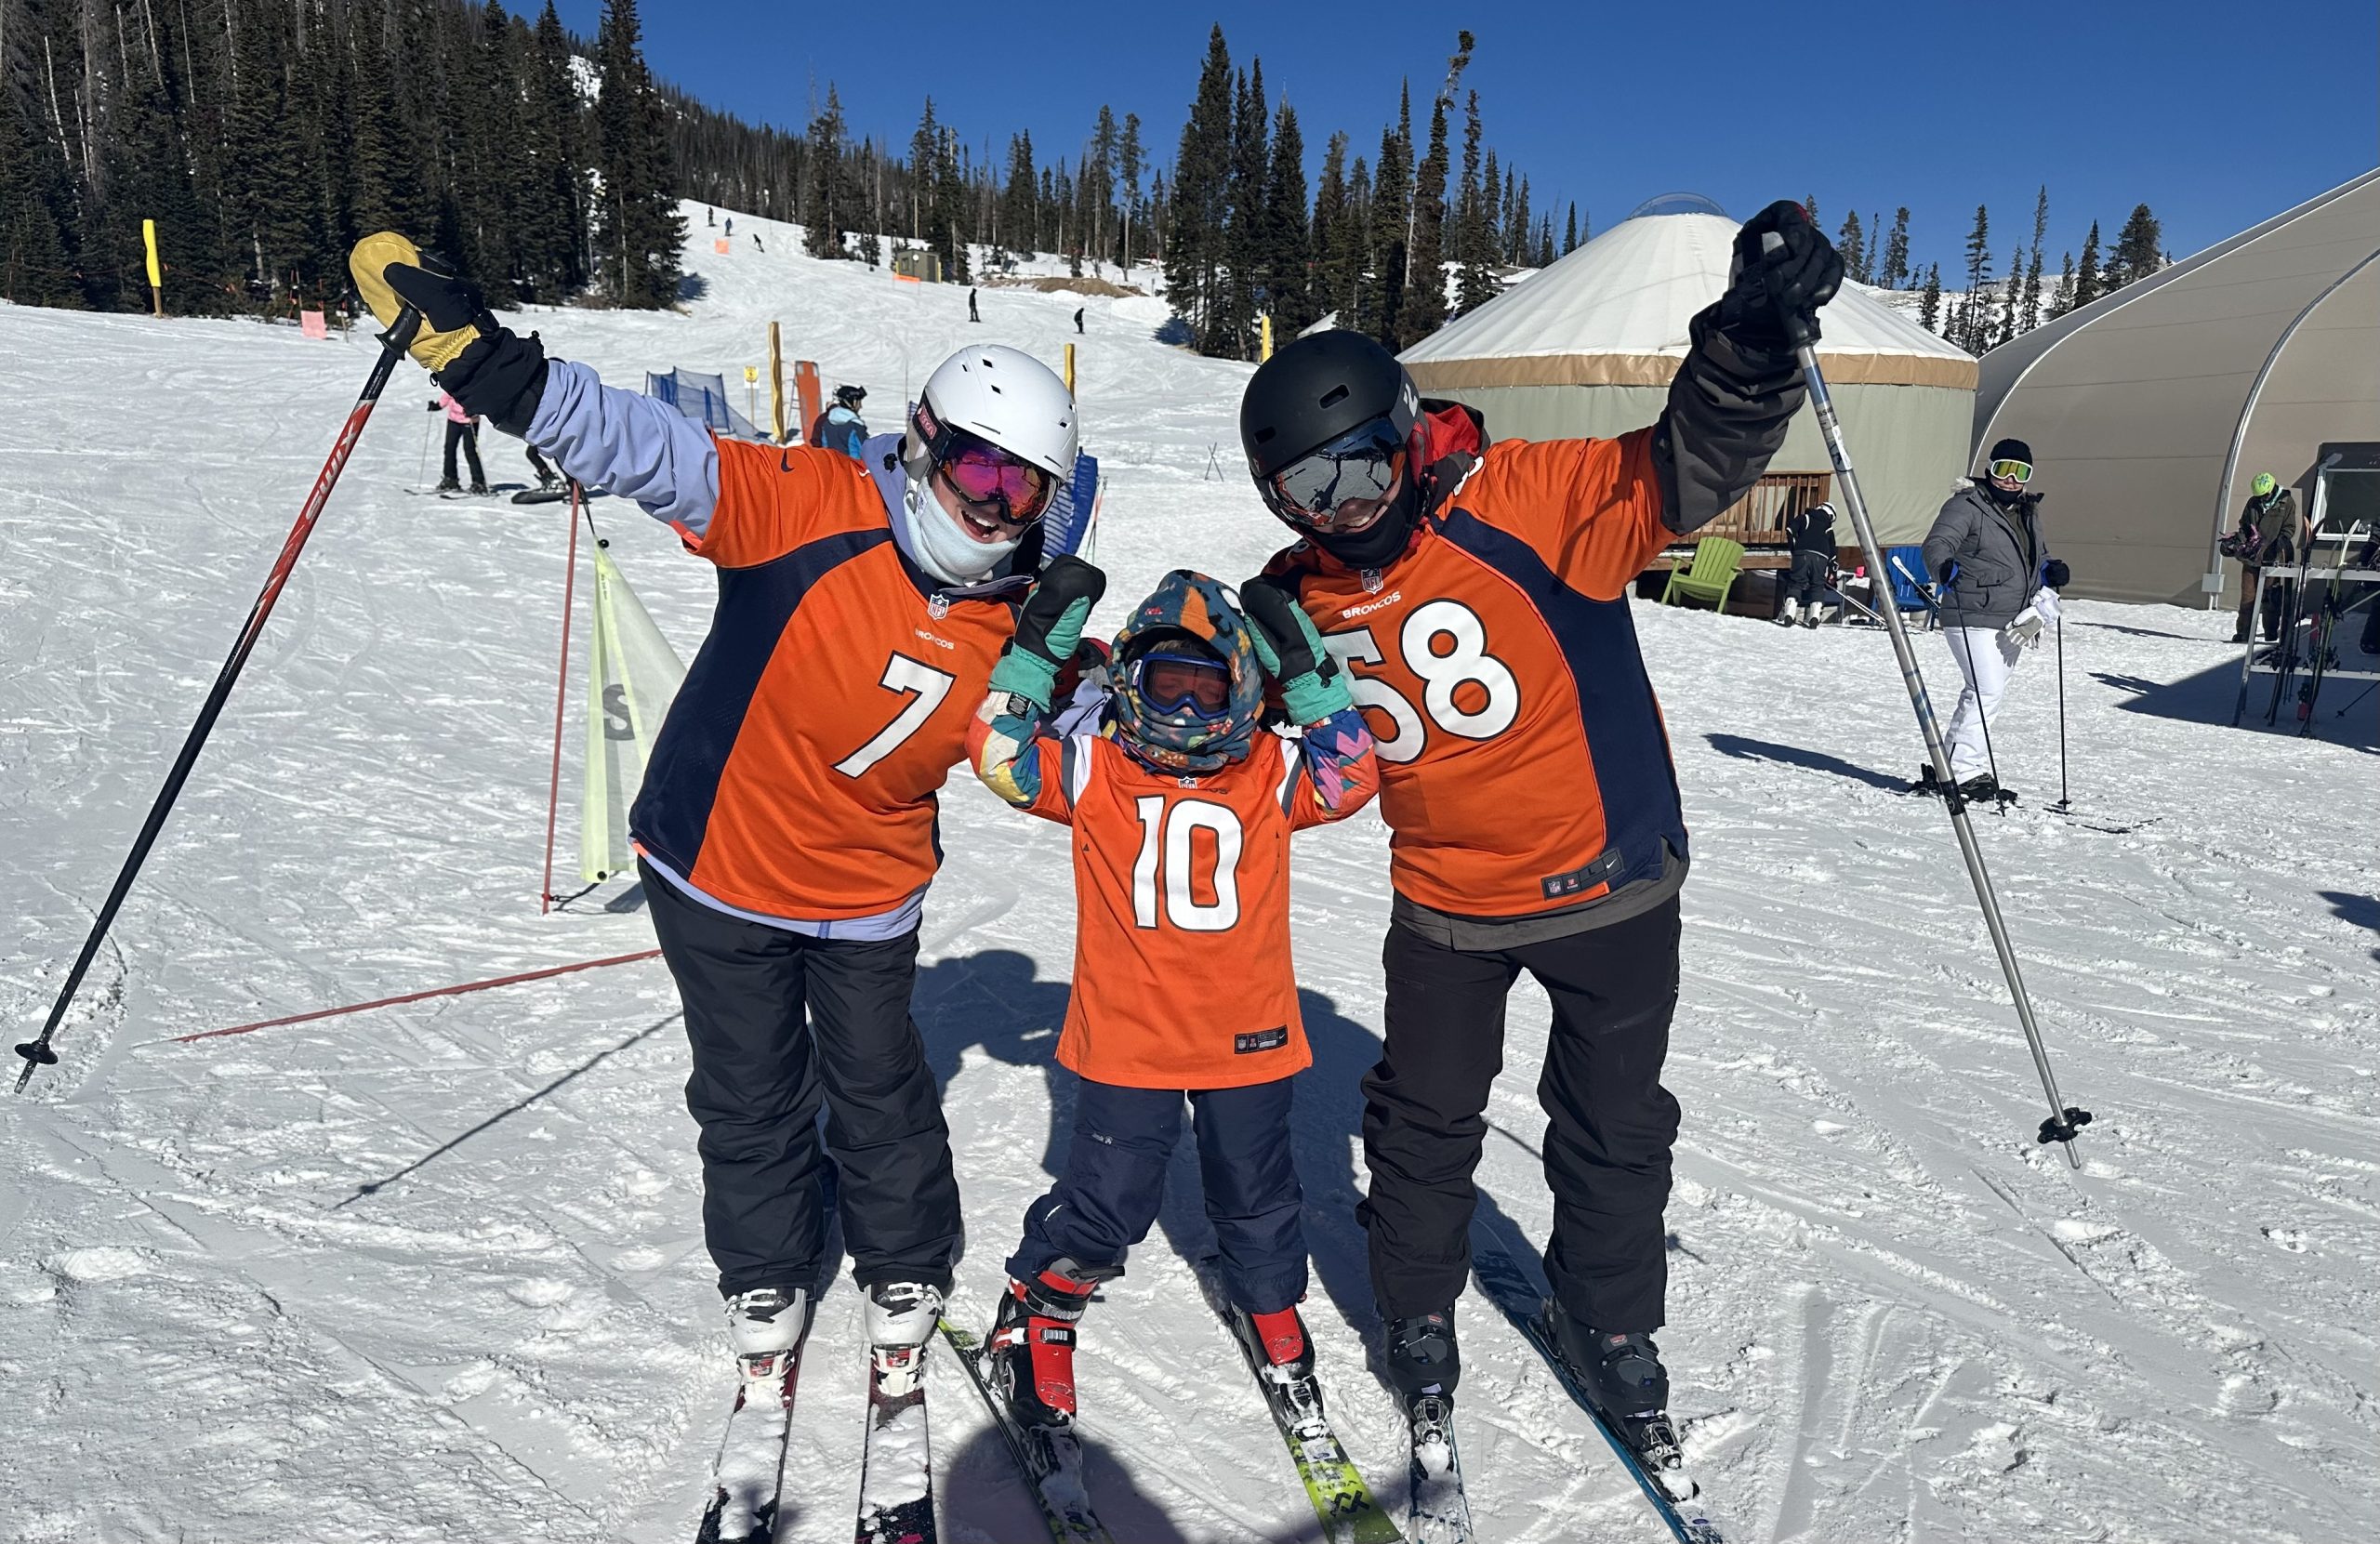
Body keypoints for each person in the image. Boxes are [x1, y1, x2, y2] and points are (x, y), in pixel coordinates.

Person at [350, 233, 1081, 1385]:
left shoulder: (1027, 623)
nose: (995, 507)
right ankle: (767, 1263)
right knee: (748, 1084)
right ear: (922, 443)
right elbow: (650, 446)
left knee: (880, 1085)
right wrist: (494, 368)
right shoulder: (808, 503)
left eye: (1023, 486)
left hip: (868, 891)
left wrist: (1217, 704)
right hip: (716, 865)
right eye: (979, 470)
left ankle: (903, 1254)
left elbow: (1098, 745)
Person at [1236, 200, 1840, 1476]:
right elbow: (1222, 704)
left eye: (1363, 466)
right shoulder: (1296, 600)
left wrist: (1745, 349)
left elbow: (1686, 467)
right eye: (1308, 490)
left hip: (1608, 882)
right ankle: (1416, 1310)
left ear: (1408, 433)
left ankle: (1611, 1318)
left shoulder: (1526, 497)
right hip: (1446, 908)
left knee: (1613, 1124)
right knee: (1421, 1119)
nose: (1346, 507)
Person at [965, 565, 1380, 1432]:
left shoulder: (1267, 769)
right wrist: (1035, 655)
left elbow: (1351, 774)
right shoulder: (1096, 767)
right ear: (1131, 683)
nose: (1187, 708)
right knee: (1110, 1189)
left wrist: (1307, 671)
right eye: (1167, 685)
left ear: (1241, 689)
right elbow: (999, 755)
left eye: (1208, 687)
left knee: (1258, 1185)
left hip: (1250, 1033)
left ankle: (1266, 1296)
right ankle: (1045, 1296)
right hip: (1131, 1034)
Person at [1918, 438, 2069, 800]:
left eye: (2021, 472)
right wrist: (1943, 567)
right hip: (1971, 612)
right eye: (2004, 469)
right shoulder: (1967, 504)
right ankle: (1962, 772)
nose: (2011, 479)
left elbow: (2036, 556)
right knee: (1985, 690)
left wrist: (2050, 569)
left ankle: (1952, 765)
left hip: (2014, 621)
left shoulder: (2028, 511)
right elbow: (1938, 543)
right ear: (1990, 469)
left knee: (1988, 694)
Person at [2227, 472, 2302, 644]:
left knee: (2270, 597)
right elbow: (2245, 526)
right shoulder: (2253, 503)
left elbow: (2289, 528)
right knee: (2248, 597)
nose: (2262, 498)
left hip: (2273, 556)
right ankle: (2243, 633)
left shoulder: (2286, 502)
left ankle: (2270, 632)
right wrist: (2238, 544)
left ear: (2272, 489)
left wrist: (2280, 543)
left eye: (2265, 495)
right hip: (2251, 556)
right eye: (2259, 496)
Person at [1775, 497, 1837, 627]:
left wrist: (1794, 548)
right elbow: (1833, 550)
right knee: (1817, 584)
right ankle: (1814, 617)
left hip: (1801, 552)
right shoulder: (1828, 527)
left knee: (1796, 582)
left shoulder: (1805, 518)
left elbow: (1790, 530)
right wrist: (1832, 570)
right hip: (1821, 556)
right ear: (1830, 515)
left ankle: (1789, 614)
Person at [431, 389, 488, 495]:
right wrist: (438, 405)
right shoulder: (455, 383)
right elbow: (449, 392)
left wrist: (474, 411)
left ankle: (479, 483)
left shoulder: (472, 384)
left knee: (470, 451)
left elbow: (479, 397)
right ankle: (450, 479)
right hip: (453, 420)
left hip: (469, 421)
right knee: (449, 449)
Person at [810, 384, 869, 460]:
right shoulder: (856, 426)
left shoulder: (826, 423)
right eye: (859, 402)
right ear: (852, 402)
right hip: (854, 465)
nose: (860, 406)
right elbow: (866, 452)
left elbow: (823, 448)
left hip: (833, 465)